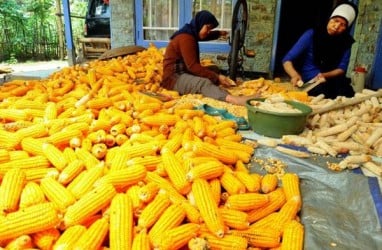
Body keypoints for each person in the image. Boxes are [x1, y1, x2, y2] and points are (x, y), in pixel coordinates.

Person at [161, 10, 258, 105]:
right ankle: (233, 99)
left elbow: (203, 35)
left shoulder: (191, 32)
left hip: (185, 71)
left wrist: (219, 33)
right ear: (200, 23)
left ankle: (212, 91)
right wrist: (217, 77)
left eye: (210, 29)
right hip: (174, 78)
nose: (208, 31)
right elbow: (193, 67)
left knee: (214, 69)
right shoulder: (186, 38)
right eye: (207, 28)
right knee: (204, 82)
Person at [282, 2, 358, 99]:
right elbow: (287, 60)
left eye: (342, 24)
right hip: (312, 79)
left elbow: (341, 69)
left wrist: (325, 75)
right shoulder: (312, 34)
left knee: (347, 94)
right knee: (322, 93)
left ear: (346, 28)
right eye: (335, 20)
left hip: (332, 78)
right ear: (329, 19)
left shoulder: (346, 42)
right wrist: (294, 75)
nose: (337, 26)